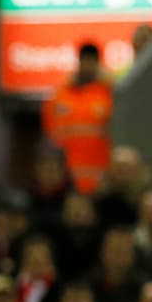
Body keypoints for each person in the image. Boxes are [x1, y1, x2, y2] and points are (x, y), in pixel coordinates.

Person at [42, 43, 113, 194]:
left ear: (98, 62)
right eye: (84, 60)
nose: (87, 65)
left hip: (100, 182)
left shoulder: (108, 93)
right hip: (64, 183)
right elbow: (50, 138)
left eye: (91, 60)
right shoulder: (59, 96)